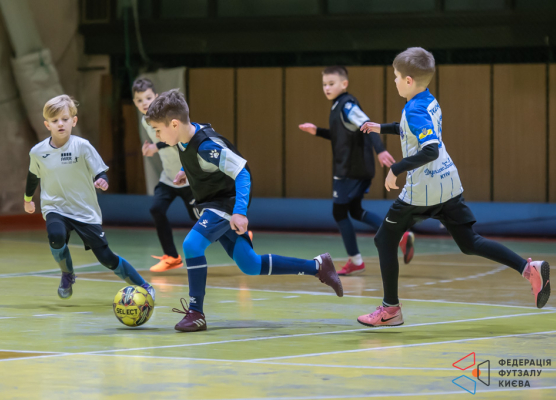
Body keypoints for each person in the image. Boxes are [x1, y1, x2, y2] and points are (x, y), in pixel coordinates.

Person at [357, 47, 550, 327]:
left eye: (396, 77)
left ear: (408, 80)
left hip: (423, 190)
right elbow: (414, 129)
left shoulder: (413, 108)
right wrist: (381, 127)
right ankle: (528, 268)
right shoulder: (428, 100)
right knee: (470, 242)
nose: (395, 81)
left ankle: (390, 309)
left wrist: (396, 169)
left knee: (384, 239)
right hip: (448, 183)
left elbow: (430, 149)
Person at [145, 89, 343, 332]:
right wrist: (188, 171)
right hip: (215, 202)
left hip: (225, 203)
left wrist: (239, 212)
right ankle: (318, 266)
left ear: (174, 124)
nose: (157, 135)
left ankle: (196, 312)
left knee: (192, 245)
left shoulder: (207, 147)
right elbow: (201, 160)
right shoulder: (186, 135)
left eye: (158, 130)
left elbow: (241, 172)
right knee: (250, 264)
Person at [24, 95, 155, 301]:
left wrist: (102, 180)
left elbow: (100, 172)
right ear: (47, 125)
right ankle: (67, 274)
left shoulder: (82, 146)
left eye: (65, 119)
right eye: (55, 120)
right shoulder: (38, 152)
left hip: (84, 211)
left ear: (74, 121)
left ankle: (143, 285)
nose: (60, 124)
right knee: (56, 236)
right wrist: (28, 199)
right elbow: (33, 176)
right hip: (55, 207)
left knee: (106, 258)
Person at [299, 66, 415, 276]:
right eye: (324, 84)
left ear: (344, 84)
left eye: (331, 83)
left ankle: (356, 260)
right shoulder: (338, 106)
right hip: (356, 168)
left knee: (339, 212)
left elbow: (367, 125)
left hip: (350, 170)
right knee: (354, 210)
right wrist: (317, 131)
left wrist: (380, 150)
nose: (327, 88)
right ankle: (399, 236)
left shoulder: (347, 105)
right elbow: (339, 136)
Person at [132, 78, 199, 272]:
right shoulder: (145, 121)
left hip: (187, 177)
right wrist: (150, 148)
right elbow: (159, 143)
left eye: (148, 98)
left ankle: (237, 233)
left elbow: (178, 139)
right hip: (169, 178)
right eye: (139, 100)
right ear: (135, 103)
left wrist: (156, 147)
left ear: (156, 97)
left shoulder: (169, 116)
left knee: (203, 220)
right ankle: (171, 257)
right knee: (156, 209)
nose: (144, 103)